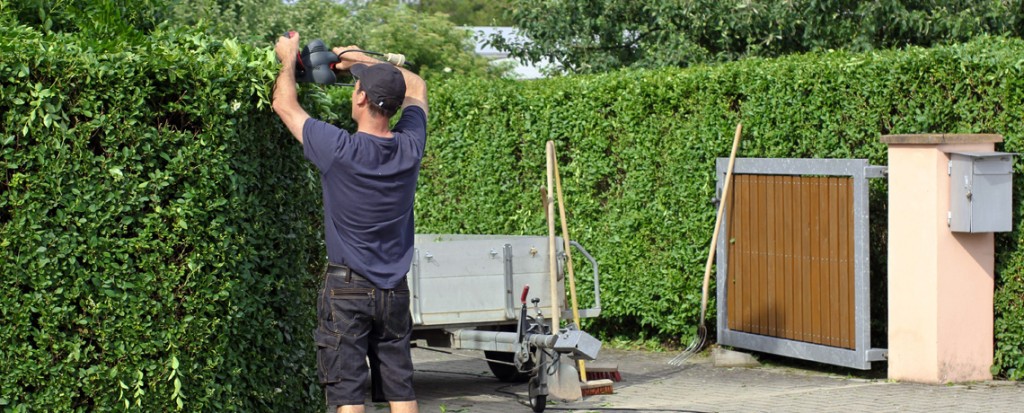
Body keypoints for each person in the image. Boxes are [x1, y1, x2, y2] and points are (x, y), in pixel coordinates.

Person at [272, 32, 427, 413]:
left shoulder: (339, 149)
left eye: (357, 85)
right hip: (394, 291)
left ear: (359, 98)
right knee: (401, 389)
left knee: (347, 395)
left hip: (347, 290)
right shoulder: (410, 146)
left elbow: (283, 103)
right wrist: (362, 61)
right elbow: (417, 86)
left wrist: (288, 57)